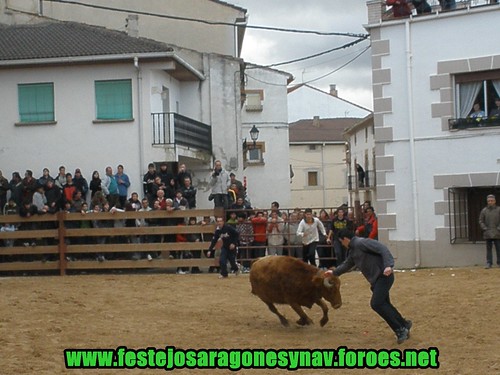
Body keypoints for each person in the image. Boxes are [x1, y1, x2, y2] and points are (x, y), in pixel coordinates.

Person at [328, 229, 412, 344]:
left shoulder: (361, 243)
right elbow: (347, 264)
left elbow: (382, 249)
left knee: (376, 304)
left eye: (341, 242)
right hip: (378, 279)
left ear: (345, 239)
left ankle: (400, 329)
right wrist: (334, 273)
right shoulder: (353, 251)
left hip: (384, 276)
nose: (342, 244)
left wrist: (388, 265)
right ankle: (403, 324)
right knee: (384, 303)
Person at [478, 194, 500, 269]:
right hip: (487, 233)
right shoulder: (484, 211)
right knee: (488, 249)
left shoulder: (499, 209)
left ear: (495, 201)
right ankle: (489, 263)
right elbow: (481, 220)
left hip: (497, 233)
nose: (490, 202)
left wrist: (499, 228)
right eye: (489, 201)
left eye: (492, 200)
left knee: (499, 248)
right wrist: (484, 228)